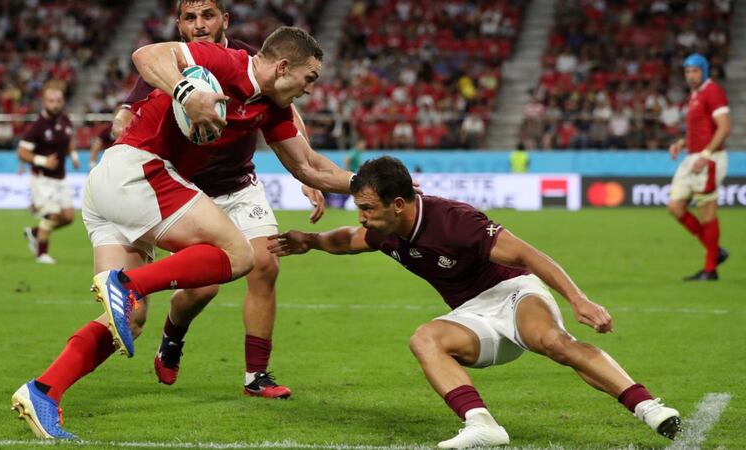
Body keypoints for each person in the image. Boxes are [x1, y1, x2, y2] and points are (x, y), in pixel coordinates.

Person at [11, 26, 353, 440]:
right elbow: (145, 55)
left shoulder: (272, 108)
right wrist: (187, 92)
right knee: (240, 255)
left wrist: (367, 184)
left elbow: (310, 166)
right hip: (138, 171)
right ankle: (128, 284)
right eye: (309, 78)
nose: (310, 89)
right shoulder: (224, 61)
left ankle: (43, 391)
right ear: (283, 67)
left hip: (111, 187)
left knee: (132, 319)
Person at [268, 156, 682, 449]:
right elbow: (349, 240)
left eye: (366, 208)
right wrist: (312, 241)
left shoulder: (454, 221)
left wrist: (579, 300)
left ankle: (647, 407)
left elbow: (528, 256)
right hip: (472, 315)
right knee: (424, 338)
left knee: (553, 343)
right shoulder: (384, 228)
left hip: (514, 292)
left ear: (398, 204)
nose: (361, 216)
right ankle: (482, 425)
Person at [112, 0, 326, 397]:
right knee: (204, 287)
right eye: (190, 18)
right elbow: (127, 113)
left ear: (224, 20)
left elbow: (286, 110)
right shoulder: (172, 62)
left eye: (207, 15)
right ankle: (173, 336)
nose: (199, 25)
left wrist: (306, 170)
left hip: (240, 183)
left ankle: (256, 376)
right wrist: (124, 134)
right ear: (179, 25)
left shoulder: (251, 60)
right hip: (189, 189)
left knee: (266, 264)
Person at [668, 53, 730, 281]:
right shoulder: (696, 94)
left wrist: (706, 154)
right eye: (687, 71)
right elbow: (701, 129)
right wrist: (681, 143)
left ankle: (710, 269)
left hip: (709, 159)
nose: (691, 75)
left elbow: (724, 127)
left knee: (707, 211)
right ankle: (715, 250)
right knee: (675, 207)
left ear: (704, 71)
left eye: (695, 71)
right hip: (692, 157)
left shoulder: (713, 91)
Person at [17, 81, 80, 264]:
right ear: (44, 102)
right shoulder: (38, 126)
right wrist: (43, 161)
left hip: (61, 177)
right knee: (52, 215)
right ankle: (41, 254)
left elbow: (68, 140)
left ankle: (34, 233)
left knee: (68, 218)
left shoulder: (65, 120)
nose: (55, 104)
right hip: (42, 179)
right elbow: (22, 152)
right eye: (51, 101)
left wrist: (73, 155)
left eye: (58, 100)